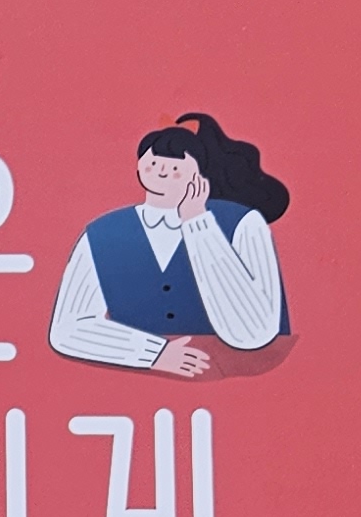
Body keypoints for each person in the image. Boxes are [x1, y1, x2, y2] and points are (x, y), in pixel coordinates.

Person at [47, 112, 290, 376]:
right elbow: (67, 329)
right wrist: (154, 353)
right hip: (135, 382)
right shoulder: (102, 233)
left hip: (244, 382)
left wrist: (198, 223)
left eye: (175, 168)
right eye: (152, 164)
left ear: (199, 173)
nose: (162, 172)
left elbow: (255, 332)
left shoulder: (244, 223)